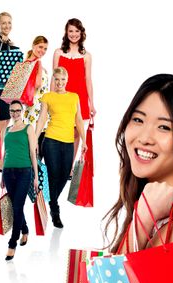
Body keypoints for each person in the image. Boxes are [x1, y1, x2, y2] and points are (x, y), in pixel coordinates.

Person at [103, 74, 173, 254]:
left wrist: (143, 221)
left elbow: (117, 282)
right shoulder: (156, 198)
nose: (144, 138)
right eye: (138, 119)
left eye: (164, 127)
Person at [35, 67, 87, 228]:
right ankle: (55, 210)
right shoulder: (48, 96)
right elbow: (42, 118)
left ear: (67, 80)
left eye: (62, 79)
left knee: (65, 175)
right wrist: (35, 139)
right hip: (51, 140)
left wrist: (84, 141)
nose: (59, 82)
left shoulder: (74, 97)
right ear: (53, 80)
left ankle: (47, 201)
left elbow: (78, 119)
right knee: (53, 175)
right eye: (56, 79)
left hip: (68, 142)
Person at [53, 18, 96, 175]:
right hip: (62, 97)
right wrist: (51, 98)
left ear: (81, 33)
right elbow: (54, 77)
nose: (74, 34)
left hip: (79, 98)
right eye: (71, 31)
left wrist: (91, 104)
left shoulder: (86, 56)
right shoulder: (58, 52)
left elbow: (88, 80)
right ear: (66, 32)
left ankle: (69, 167)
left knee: (76, 132)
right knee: (60, 130)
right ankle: (58, 163)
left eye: (77, 31)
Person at [1, 100, 39, 261]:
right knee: (16, 207)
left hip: (24, 171)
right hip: (8, 172)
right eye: (12, 111)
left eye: (17, 110)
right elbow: (5, 152)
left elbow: (32, 152)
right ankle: (25, 229)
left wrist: (36, 176)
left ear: (22, 111)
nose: (15, 113)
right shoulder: (8, 130)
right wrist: (2, 175)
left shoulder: (28, 128)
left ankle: (12, 243)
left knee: (18, 206)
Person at [0, 11, 20, 171]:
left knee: (5, 124)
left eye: (9, 23)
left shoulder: (10, 42)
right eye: (3, 23)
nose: (7, 26)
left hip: (10, 91)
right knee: (0, 125)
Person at [23, 36, 49, 159]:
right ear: (33, 46)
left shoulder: (26, 62)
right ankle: (35, 171)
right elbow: (37, 84)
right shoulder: (36, 63)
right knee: (36, 140)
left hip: (30, 107)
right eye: (40, 47)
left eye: (45, 49)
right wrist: (39, 68)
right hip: (37, 107)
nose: (42, 51)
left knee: (32, 137)